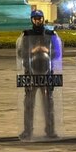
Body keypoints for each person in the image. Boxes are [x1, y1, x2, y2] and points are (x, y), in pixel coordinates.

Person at [20, 9, 60, 139]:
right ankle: (28, 130)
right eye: (35, 19)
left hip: (46, 72)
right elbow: (21, 53)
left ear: (43, 19)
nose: (38, 21)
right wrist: (33, 51)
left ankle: (50, 130)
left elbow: (57, 52)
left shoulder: (50, 34)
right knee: (29, 103)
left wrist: (46, 51)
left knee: (48, 102)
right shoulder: (26, 35)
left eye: (40, 18)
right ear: (32, 20)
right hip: (31, 73)